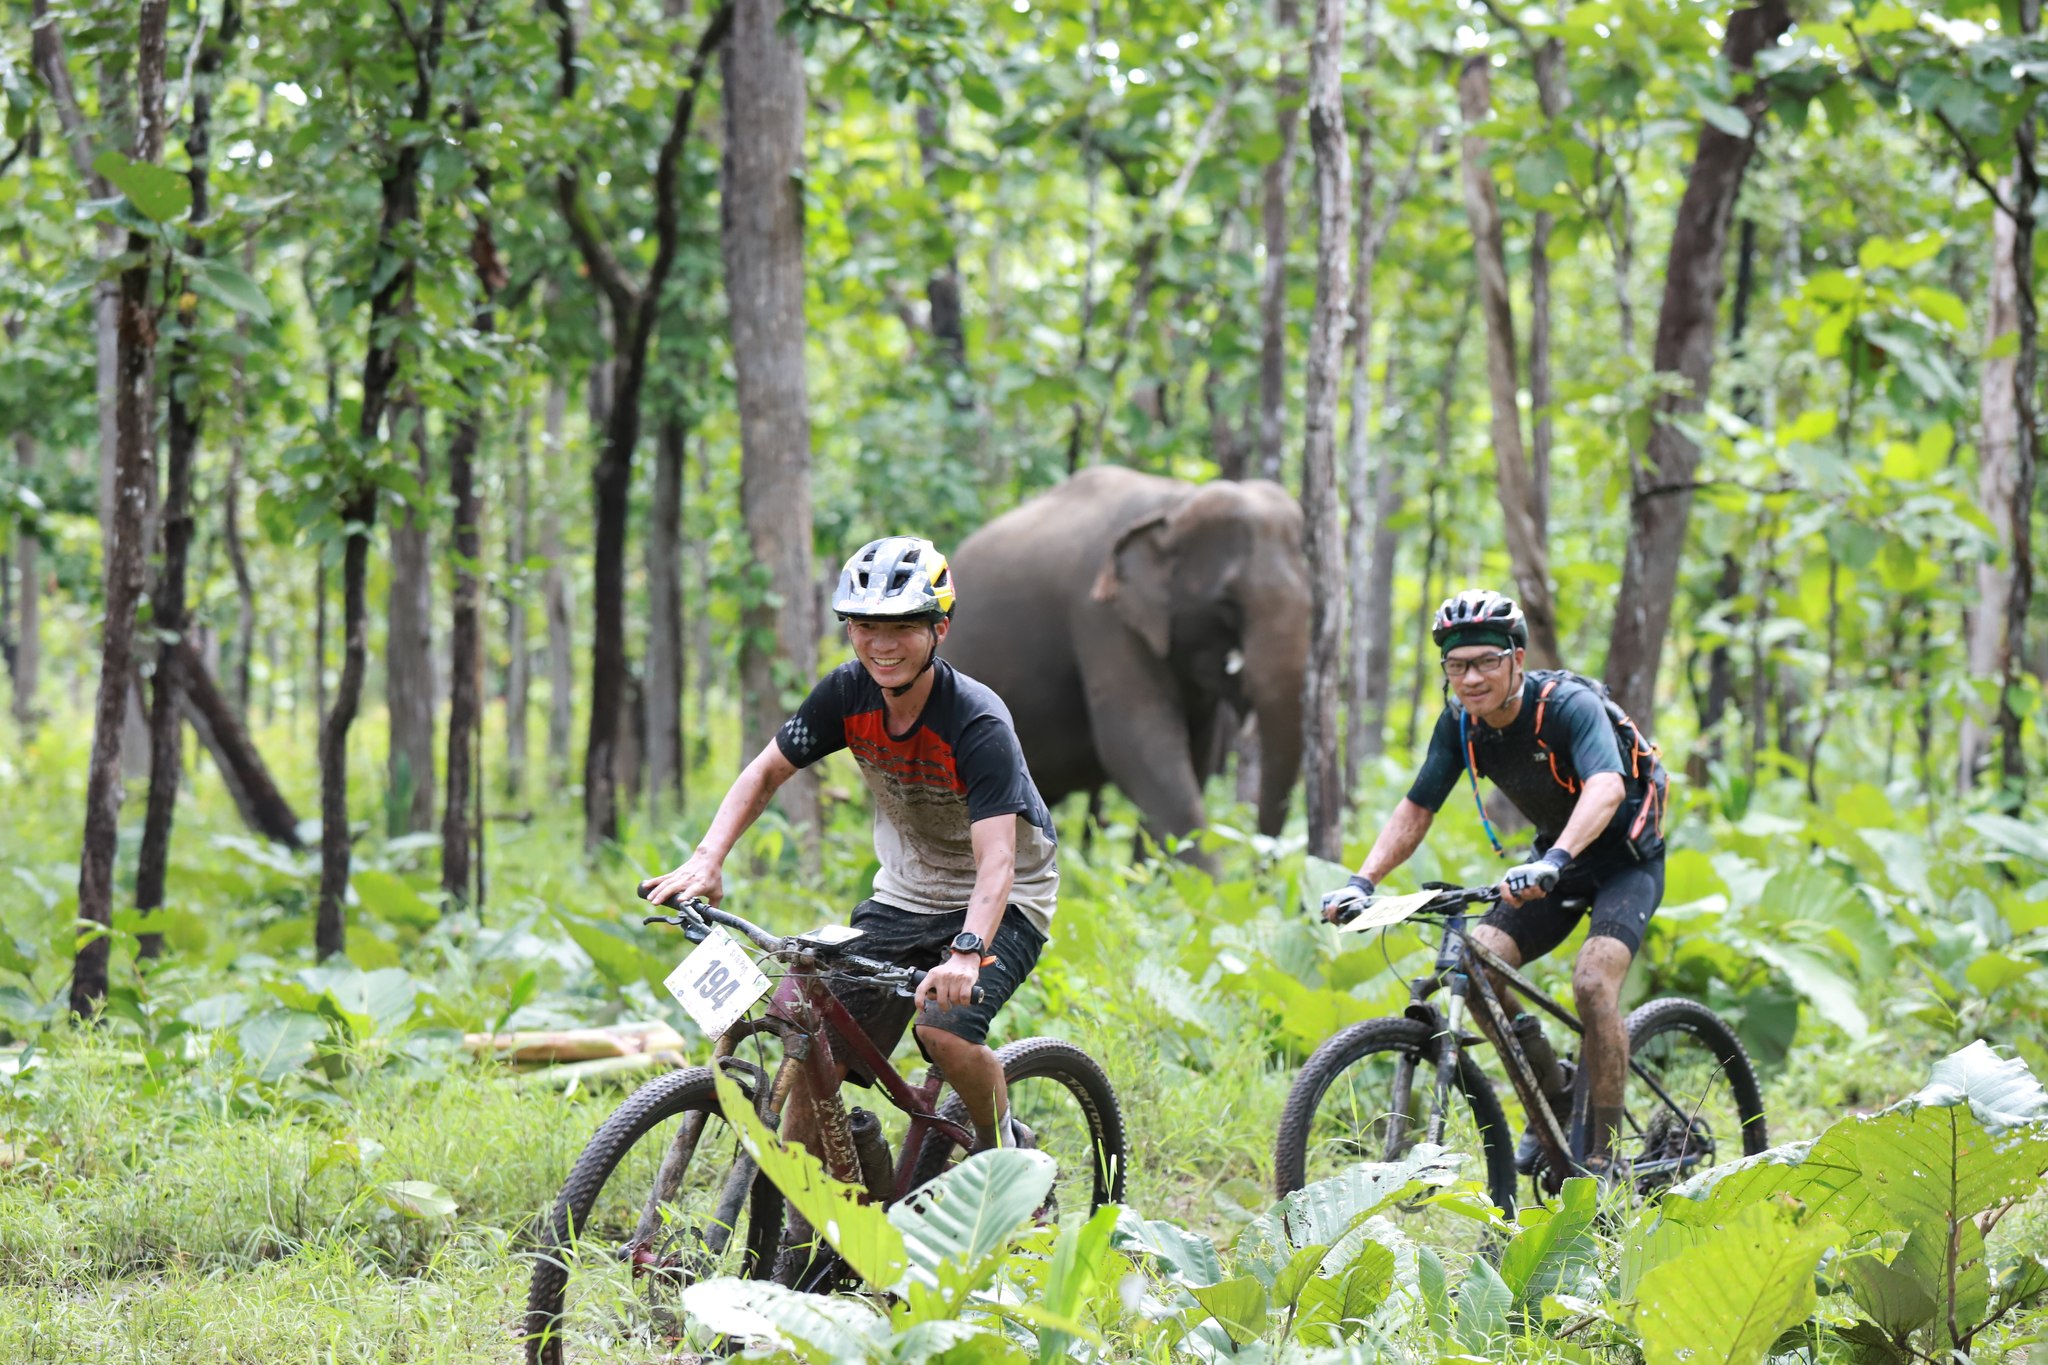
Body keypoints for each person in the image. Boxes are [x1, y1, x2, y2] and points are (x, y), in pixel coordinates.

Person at [641, 534, 1058, 1160]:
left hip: (1004, 898)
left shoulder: (977, 721)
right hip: (906, 891)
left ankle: (1006, 1156)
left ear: (939, 630)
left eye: (902, 628)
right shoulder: (846, 694)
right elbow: (765, 773)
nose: (881, 645)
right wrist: (708, 858)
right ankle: (814, 1235)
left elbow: (997, 859)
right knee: (814, 1052)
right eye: (865, 626)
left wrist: (967, 954)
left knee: (943, 1033)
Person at [1318, 589, 1668, 1180]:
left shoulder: (1567, 707)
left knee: (1591, 983)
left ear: (1517, 659)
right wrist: (1362, 881)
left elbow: (1605, 787)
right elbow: (1416, 809)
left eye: (1485, 661)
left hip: (1624, 862)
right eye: (1457, 666)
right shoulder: (1461, 723)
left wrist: (1555, 857)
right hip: (1552, 865)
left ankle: (1605, 1156)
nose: (1471, 678)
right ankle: (1555, 1093)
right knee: (1472, 970)